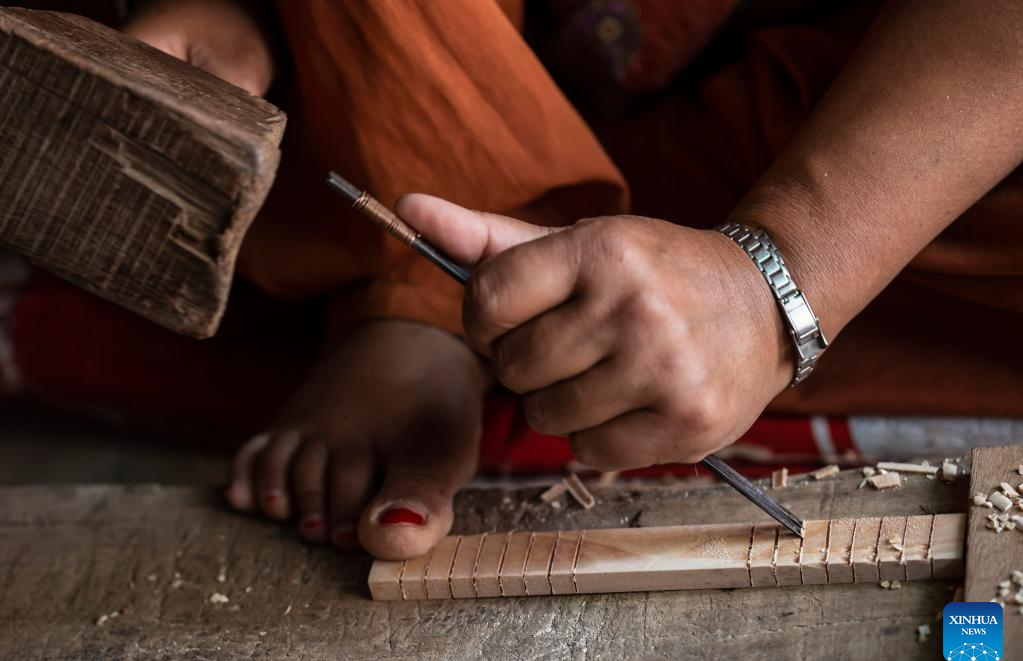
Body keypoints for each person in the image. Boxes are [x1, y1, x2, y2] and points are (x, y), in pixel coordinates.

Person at [115, 0, 1022, 561]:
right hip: (493, 57)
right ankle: (432, 285)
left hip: (887, 107)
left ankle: (488, 262)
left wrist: (775, 276)